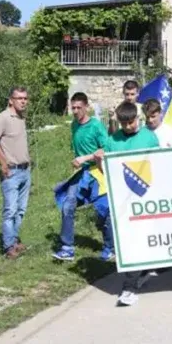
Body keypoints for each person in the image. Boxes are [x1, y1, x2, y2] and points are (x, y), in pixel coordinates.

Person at [107, 101, 162, 307]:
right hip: (124, 202)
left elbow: (159, 165)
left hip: (146, 198)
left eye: (131, 122)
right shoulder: (113, 140)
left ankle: (131, 284)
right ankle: (131, 284)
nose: (128, 126)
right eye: (124, 123)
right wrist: (98, 160)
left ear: (137, 119)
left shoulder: (148, 137)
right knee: (131, 242)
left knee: (143, 239)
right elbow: (109, 172)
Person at [54, 92, 112, 262]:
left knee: (103, 210)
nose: (76, 111)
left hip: (97, 171)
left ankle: (110, 247)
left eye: (79, 107)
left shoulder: (96, 126)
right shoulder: (74, 125)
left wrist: (85, 158)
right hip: (81, 174)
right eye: (73, 108)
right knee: (67, 205)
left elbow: (105, 150)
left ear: (87, 107)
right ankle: (67, 247)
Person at [0, 87, 32, 259]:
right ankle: (8, 247)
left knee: (20, 210)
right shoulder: (3, 118)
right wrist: (2, 163)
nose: (23, 101)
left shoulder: (21, 117)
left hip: (25, 169)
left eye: (25, 98)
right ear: (10, 100)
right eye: (19, 98)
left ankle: (14, 240)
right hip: (11, 171)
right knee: (10, 210)